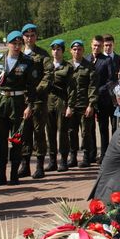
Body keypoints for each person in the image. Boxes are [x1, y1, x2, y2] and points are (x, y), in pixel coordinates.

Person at [0, 30, 37, 186]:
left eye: (20, 44)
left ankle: (14, 174)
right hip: (0, 102)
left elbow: (32, 87)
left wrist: (29, 105)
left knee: (17, 140)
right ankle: (1, 175)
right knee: (0, 141)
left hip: (18, 103)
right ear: (8, 44)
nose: (17, 46)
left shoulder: (27, 61)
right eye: (14, 43)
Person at [18, 23, 51, 179]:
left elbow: (48, 75)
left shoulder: (42, 55)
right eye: (27, 36)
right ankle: (24, 164)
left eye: (32, 35)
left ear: (36, 37)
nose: (29, 38)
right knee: (24, 132)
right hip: (21, 100)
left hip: (38, 100)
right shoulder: (18, 54)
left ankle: (39, 165)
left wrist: (36, 91)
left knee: (38, 132)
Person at [66, 39, 97, 168]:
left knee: (86, 133)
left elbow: (92, 87)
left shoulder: (89, 66)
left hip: (84, 105)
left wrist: (91, 105)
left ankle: (86, 156)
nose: (77, 52)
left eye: (79, 49)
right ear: (71, 51)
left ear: (83, 51)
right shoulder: (67, 66)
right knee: (71, 131)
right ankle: (72, 156)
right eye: (74, 49)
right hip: (70, 106)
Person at [45, 39, 73, 172]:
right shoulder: (47, 65)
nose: (56, 52)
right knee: (50, 131)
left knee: (62, 131)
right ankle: (52, 160)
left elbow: (72, 88)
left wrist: (70, 106)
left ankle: (63, 160)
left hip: (62, 100)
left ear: (63, 51)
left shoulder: (68, 67)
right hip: (49, 101)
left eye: (58, 49)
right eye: (54, 49)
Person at [95, 33, 120, 162]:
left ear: (113, 45)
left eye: (110, 45)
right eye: (105, 45)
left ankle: (115, 154)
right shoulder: (97, 59)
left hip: (115, 100)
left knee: (115, 128)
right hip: (102, 100)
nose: (107, 48)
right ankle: (104, 154)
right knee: (103, 128)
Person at [83, 34, 106, 163]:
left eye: (99, 46)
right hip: (88, 100)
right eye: (95, 45)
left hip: (102, 99)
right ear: (91, 45)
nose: (96, 47)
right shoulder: (86, 59)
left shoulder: (106, 60)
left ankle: (103, 154)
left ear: (102, 46)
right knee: (89, 128)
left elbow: (110, 80)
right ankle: (91, 153)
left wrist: (99, 91)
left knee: (102, 128)